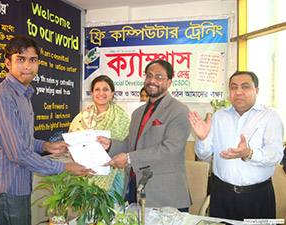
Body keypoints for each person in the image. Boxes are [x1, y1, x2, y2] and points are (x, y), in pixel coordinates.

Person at [0, 35, 88, 225]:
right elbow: (18, 152)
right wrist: (64, 167)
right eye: (20, 59)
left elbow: (20, 140)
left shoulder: (23, 94)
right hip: (6, 188)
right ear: (7, 63)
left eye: (33, 60)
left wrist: (47, 146)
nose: (27, 66)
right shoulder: (3, 98)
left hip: (19, 185)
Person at [98, 59, 192, 211]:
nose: (152, 81)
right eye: (149, 76)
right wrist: (110, 144)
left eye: (159, 77)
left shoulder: (179, 111)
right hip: (136, 191)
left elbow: (169, 149)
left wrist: (129, 159)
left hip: (165, 196)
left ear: (169, 82)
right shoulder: (138, 113)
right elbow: (130, 144)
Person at [189, 71, 284, 220]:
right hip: (222, 194)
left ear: (256, 91)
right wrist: (202, 138)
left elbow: (275, 155)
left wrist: (249, 153)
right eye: (233, 87)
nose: (238, 92)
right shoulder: (219, 116)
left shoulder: (270, 116)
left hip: (258, 196)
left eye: (245, 87)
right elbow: (203, 154)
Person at [68, 75, 130, 200]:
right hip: (87, 174)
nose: (101, 93)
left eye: (106, 89)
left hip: (113, 174)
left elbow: (129, 145)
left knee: (113, 213)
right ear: (92, 93)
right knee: (90, 215)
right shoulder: (81, 118)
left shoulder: (122, 117)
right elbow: (71, 145)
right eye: (97, 89)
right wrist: (82, 167)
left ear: (112, 93)